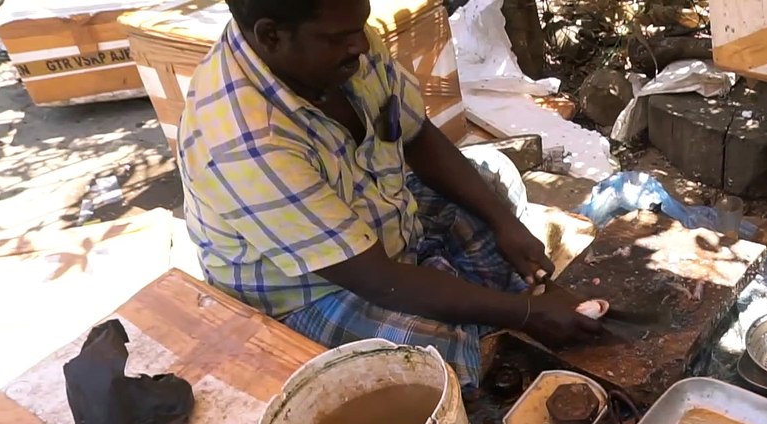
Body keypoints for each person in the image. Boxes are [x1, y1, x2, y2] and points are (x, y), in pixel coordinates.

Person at [177, 0, 602, 390]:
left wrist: (504, 223)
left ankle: (480, 304)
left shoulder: (340, 42)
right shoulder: (241, 141)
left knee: (493, 193)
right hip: (308, 287)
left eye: (360, 26)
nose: (361, 44)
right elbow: (378, 280)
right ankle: (482, 320)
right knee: (436, 362)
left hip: (372, 224)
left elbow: (415, 136)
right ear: (271, 36)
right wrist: (525, 314)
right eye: (340, 38)